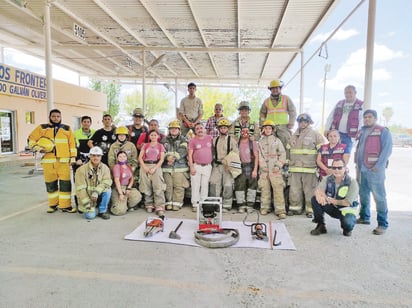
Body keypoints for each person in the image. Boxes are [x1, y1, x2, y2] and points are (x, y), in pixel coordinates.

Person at [28, 109, 77, 213]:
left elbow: (72, 144)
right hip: (48, 162)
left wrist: (73, 158)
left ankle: (65, 205)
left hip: (63, 162)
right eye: (53, 116)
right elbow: (31, 139)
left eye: (58, 116)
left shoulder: (67, 129)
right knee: (50, 184)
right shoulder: (42, 128)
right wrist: (38, 148)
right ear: (50, 117)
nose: (56, 118)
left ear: (61, 117)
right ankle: (53, 204)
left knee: (65, 184)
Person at [355, 109, 392, 235]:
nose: (367, 119)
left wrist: (379, 165)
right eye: (365, 117)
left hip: (374, 170)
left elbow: (387, 149)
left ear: (375, 118)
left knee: (379, 197)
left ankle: (382, 224)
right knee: (363, 194)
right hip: (361, 169)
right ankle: (364, 217)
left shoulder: (383, 131)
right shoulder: (362, 131)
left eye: (370, 117)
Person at [288, 113, 325, 218]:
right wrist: (287, 163)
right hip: (294, 167)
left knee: (309, 190)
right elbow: (288, 150)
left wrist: (320, 165)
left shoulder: (315, 134)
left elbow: (322, 151)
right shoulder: (293, 135)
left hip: (309, 168)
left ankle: (310, 209)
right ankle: (295, 208)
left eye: (305, 122)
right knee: (294, 189)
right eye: (300, 122)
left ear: (309, 123)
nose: (302, 123)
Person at [310, 159, 359, 237]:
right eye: (334, 168)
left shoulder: (352, 182)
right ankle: (321, 225)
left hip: (347, 210)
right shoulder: (328, 178)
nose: (336, 170)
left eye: (339, 168)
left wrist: (328, 199)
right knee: (315, 199)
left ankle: (347, 228)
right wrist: (319, 195)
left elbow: (347, 202)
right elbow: (318, 190)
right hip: (333, 207)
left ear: (345, 168)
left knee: (347, 224)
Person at [258, 120, 287, 217]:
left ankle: (280, 210)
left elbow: (282, 154)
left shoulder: (277, 141)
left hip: (275, 169)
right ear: (263, 129)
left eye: (269, 128)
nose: (267, 130)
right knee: (264, 189)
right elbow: (259, 155)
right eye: (266, 128)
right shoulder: (260, 142)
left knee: (278, 189)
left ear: (272, 130)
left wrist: (278, 165)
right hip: (264, 170)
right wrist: (263, 166)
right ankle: (265, 208)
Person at [209, 118, 239, 212]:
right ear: (218, 129)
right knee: (214, 184)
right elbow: (211, 153)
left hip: (228, 166)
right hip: (217, 165)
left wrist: (229, 164)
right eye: (221, 128)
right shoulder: (214, 140)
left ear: (228, 129)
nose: (223, 129)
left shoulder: (232, 140)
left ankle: (226, 205)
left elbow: (235, 154)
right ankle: (215, 204)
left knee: (228, 185)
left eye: (225, 128)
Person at [75, 146, 112, 220]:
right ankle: (86, 207)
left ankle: (102, 211)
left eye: (98, 156)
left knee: (108, 189)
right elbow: (80, 189)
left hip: (97, 195)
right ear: (90, 156)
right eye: (93, 155)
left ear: (101, 157)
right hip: (87, 197)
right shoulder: (81, 170)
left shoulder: (105, 168)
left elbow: (107, 182)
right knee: (90, 216)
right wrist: (87, 204)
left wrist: (96, 192)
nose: (96, 158)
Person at [161, 119, 190, 211]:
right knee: (168, 186)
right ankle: (169, 203)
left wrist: (172, 158)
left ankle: (177, 203)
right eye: (171, 128)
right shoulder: (164, 140)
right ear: (169, 130)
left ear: (179, 130)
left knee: (179, 186)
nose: (173, 130)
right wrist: (166, 158)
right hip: (167, 168)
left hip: (180, 168)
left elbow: (183, 151)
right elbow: (162, 151)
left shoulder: (184, 139)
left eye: (175, 128)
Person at [259, 79, 297, 150]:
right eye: (273, 88)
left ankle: (286, 161)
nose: (275, 90)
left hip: (284, 127)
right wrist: (262, 125)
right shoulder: (266, 101)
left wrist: (291, 122)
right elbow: (262, 113)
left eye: (276, 88)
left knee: (286, 146)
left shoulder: (286, 98)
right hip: (270, 128)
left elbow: (293, 111)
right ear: (270, 90)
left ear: (280, 88)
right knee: (270, 147)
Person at [325, 85, 364, 152]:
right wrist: (326, 129)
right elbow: (330, 116)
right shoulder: (339, 103)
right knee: (334, 154)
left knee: (345, 155)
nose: (348, 94)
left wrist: (359, 132)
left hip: (350, 136)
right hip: (337, 134)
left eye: (350, 92)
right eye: (346, 93)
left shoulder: (361, 104)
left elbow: (362, 120)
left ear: (355, 92)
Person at [138, 129, 166, 216]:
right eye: (152, 135)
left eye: (155, 135)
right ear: (149, 136)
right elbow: (140, 158)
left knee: (158, 186)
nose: (153, 136)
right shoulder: (145, 145)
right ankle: (149, 203)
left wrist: (155, 168)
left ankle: (159, 205)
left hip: (156, 166)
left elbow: (161, 159)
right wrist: (145, 167)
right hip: (145, 166)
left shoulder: (160, 146)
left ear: (158, 136)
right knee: (146, 185)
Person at [188, 123, 213, 212]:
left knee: (205, 185)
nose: (199, 129)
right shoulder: (193, 140)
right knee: (195, 185)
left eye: (201, 128)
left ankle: (203, 203)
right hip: (196, 165)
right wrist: (191, 166)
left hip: (207, 166)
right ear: (195, 131)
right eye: (197, 128)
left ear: (204, 129)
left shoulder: (209, 138)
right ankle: (195, 203)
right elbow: (190, 154)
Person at [234, 126, 259, 213]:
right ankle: (241, 205)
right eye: (243, 130)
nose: (245, 132)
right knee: (240, 186)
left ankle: (250, 205)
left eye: (247, 131)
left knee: (252, 187)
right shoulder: (237, 143)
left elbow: (256, 157)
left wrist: (255, 170)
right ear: (240, 132)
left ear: (249, 133)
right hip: (240, 166)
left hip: (251, 166)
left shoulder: (253, 143)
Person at [110, 151, 142, 215]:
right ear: (117, 158)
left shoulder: (128, 166)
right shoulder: (117, 167)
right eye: (120, 156)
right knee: (119, 211)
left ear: (126, 157)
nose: (122, 158)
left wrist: (129, 188)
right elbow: (117, 180)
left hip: (126, 187)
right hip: (118, 188)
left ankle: (126, 205)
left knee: (137, 196)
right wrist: (120, 193)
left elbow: (131, 178)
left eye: (124, 156)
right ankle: (115, 204)